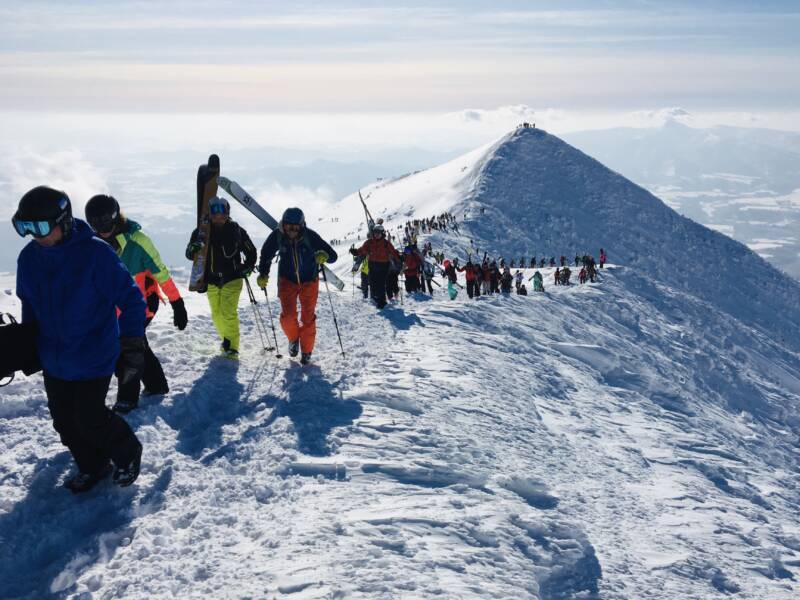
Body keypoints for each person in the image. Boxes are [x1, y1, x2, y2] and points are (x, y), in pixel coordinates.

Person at [13, 186, 145, 493]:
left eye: (41, 227)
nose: (35, 235)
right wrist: (24, 345)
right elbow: (28, 304)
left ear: (64, 221)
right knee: (65, 423)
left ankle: (128, 453)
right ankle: (94, 465)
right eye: (25, 227)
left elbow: (132, 300)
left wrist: (131, 345)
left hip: (93, 356)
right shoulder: (28, 258)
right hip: (53, 358)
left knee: (90, 417)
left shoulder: (96, 254)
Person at [85, 194, 188, 413]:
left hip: (141, 304)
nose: (101, 228)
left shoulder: (137, 241)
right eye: (95, 223)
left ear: (115, 217)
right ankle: (157, 384)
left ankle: (127, 398)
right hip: (113, 310)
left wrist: (177, 302)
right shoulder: (92, 246)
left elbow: (161, 272)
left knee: (126, 347)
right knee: (136, 345)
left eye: (104, 221)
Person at [257, 208, 336, 364]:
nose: (292, 230)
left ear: (302, 225)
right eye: (288, 226)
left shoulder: (310, 236)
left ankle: (306, 351)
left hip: (309, 281)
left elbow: (333, 255)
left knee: (308, 317)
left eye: (296, 226)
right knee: (288, 317)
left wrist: (324, 255)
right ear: (283, 225)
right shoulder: (277, 236)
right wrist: (263, 274)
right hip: (287, 281)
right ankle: (293, 339)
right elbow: (266, 255)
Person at [186, 196, 256, 359]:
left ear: (227, 213)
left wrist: (248, 267)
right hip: (211, 280)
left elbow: (251, 251)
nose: (218, 218)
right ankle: (226, 339)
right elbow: (190, 254)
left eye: (222, 214)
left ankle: (232, 347)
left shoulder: (236, 230)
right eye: (215, 214)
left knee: (228, 312)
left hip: (233, 277)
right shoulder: (201, 232)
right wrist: (193, 248)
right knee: (217, 314)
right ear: (210, 214)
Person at [350, 224, 401, 309]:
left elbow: (393, 251)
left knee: (380, 284)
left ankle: (382, 302)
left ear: (382, 233)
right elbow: (363, 250)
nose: (376, 234)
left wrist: (399, 257)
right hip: (372, 265)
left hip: (383, 266)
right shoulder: (369, 242)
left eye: (378, 233)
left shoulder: (386, 243)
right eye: (375, 232)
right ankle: (375, 299)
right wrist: (356, 252)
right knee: (373, 283)